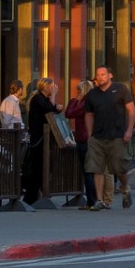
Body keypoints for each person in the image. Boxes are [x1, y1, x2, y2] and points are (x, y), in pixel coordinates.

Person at [82, 66, 135, 211]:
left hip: (117, 136)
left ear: (110, 75)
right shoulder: (92, 94)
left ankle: (125, 188)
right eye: (98, 75)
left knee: (120, 167)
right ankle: (99, 200)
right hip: (97, 137)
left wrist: (129, 130)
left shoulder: (120, 89)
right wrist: (90, 134)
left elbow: (131, 110)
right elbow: (88, 114)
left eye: (103, 74)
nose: (100, 77)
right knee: (96, 168)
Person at [22, 78, 59, 207]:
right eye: (52, 86)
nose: (54, 88)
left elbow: (51, 108)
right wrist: (54, 96)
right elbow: (48, 109)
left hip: (43, 137)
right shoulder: (38, 98)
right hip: (38, 138)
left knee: (41, 167)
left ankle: (37, 193)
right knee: (36, 167)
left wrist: (56, 107)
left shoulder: (43, 99)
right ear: (45, 87)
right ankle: (30, 197)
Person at [64, 85, 97, 208]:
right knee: (91, 170)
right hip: (90, 138)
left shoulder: (84, 103)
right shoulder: (93, 101)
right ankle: (94, 199)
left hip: (84, 138)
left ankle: (91, 200)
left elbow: (69, 113)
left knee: (87, 170)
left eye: (78, 90)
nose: (77, 93)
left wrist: (74, 100)